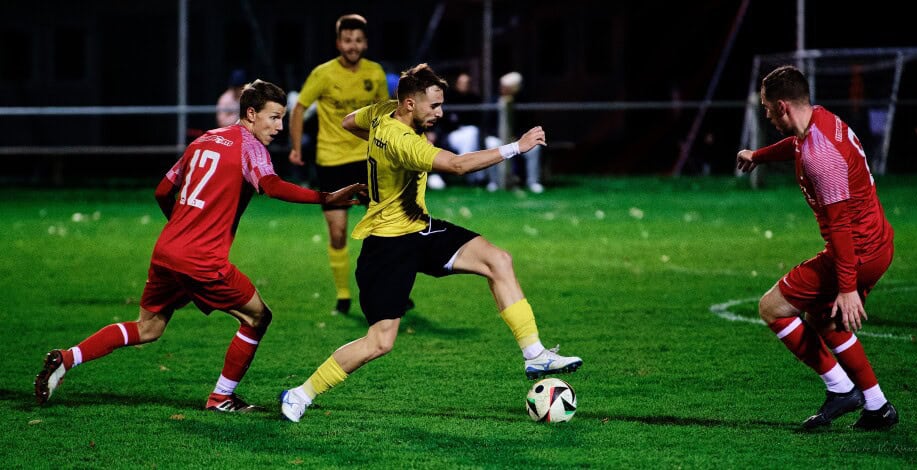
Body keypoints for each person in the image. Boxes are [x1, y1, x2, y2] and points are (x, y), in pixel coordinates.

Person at [34, 80, 365, 412]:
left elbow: (163, 190)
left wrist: (181, 228)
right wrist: (326, 197)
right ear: (251, 114)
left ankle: (66, 358)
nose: (279, 127)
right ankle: (221, 397)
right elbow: (272, 185)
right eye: (274, 117)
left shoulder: (203, 139)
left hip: (167, 250)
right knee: (257, 318)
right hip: (202, 259)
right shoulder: (249, 146)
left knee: (148, 327)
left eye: (282, 119)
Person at [278, 64, 582, 422]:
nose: (439, 113)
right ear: (408, 104)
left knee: (497, 259)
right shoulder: (402, 139)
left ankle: (534, 354)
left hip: (419, 229)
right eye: (433, 106)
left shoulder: (382, 114)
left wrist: (381, 150)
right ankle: (301, 393)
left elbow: (348, 122)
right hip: (387, 248)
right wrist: (518, 146)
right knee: (380, 342)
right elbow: (456, 166)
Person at [736, 65, 898, 430]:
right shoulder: (820, 122)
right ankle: (877, 406)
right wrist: (757, 156)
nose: (765, 115)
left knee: (772, 308)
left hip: (856, 251)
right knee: (824, 319)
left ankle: (841, 389)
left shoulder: (820, 156)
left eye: (766, 108)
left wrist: (847, 288)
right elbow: (794, 144)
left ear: (782, 107)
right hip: (875, 244)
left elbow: (840, 224)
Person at [288, 14, 389, 315]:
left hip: (367, 159)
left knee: (383, 228)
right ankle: (344, 297)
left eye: (358, 40)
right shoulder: (323, 74)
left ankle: (387, 287)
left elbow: (386, 115)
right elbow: (299, 108)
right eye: (347, 40)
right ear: (338, 43)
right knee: (337, 233)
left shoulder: (376, 72)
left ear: (365, 43)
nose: (353, 45)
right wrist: (295, 148)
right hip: (331, 161)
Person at [484, 72, 544, 193]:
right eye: (502, 86)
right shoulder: (494, 100)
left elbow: (529, 125)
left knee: (535, 148)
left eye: (507, 87)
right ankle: (494, 182)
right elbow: (488, 126)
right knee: (491, 144)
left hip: (518, 139)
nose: (503, 89)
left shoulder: (523, 102)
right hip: (499, 137)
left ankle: (533, 182)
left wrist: (517, 138)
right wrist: (503, 137)